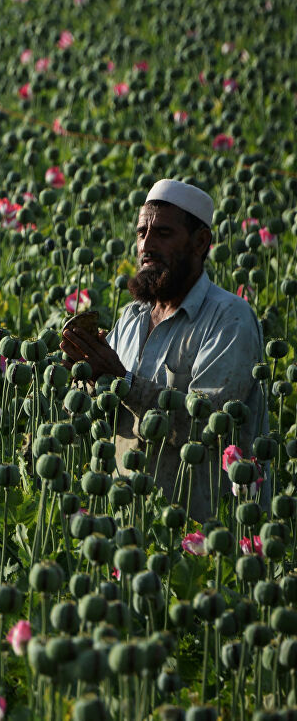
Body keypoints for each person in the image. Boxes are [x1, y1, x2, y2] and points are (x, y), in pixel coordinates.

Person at [60, 179, 267, 521]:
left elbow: (210, 428)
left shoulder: (230, 318)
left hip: (198, 530)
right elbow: (106, 417)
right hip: (124, 518)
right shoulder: (131, 319)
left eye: (163, 234)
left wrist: (122, 381)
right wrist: (82, 377)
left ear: (200, 242)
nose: (147, 246)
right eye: (142, 233)